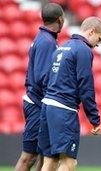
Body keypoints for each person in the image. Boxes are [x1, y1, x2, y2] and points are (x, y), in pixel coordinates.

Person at [37, 16, 101, 171]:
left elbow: (47, 78)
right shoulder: (83, 50)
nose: (98, 44)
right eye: (99, 39)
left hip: (47, 106)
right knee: (69, 163)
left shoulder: (62, 47)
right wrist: (94, 119)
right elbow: (86, 86)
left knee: (50, 162)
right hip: (64, 109)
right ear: (92, 31)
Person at [15, 3, 64, 171]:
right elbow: (43, 77)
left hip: (39, 103)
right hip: (37, 104)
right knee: (28, 157)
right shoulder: (47, 42)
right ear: (60, 19)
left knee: (45, 157)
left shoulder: (44, 38)